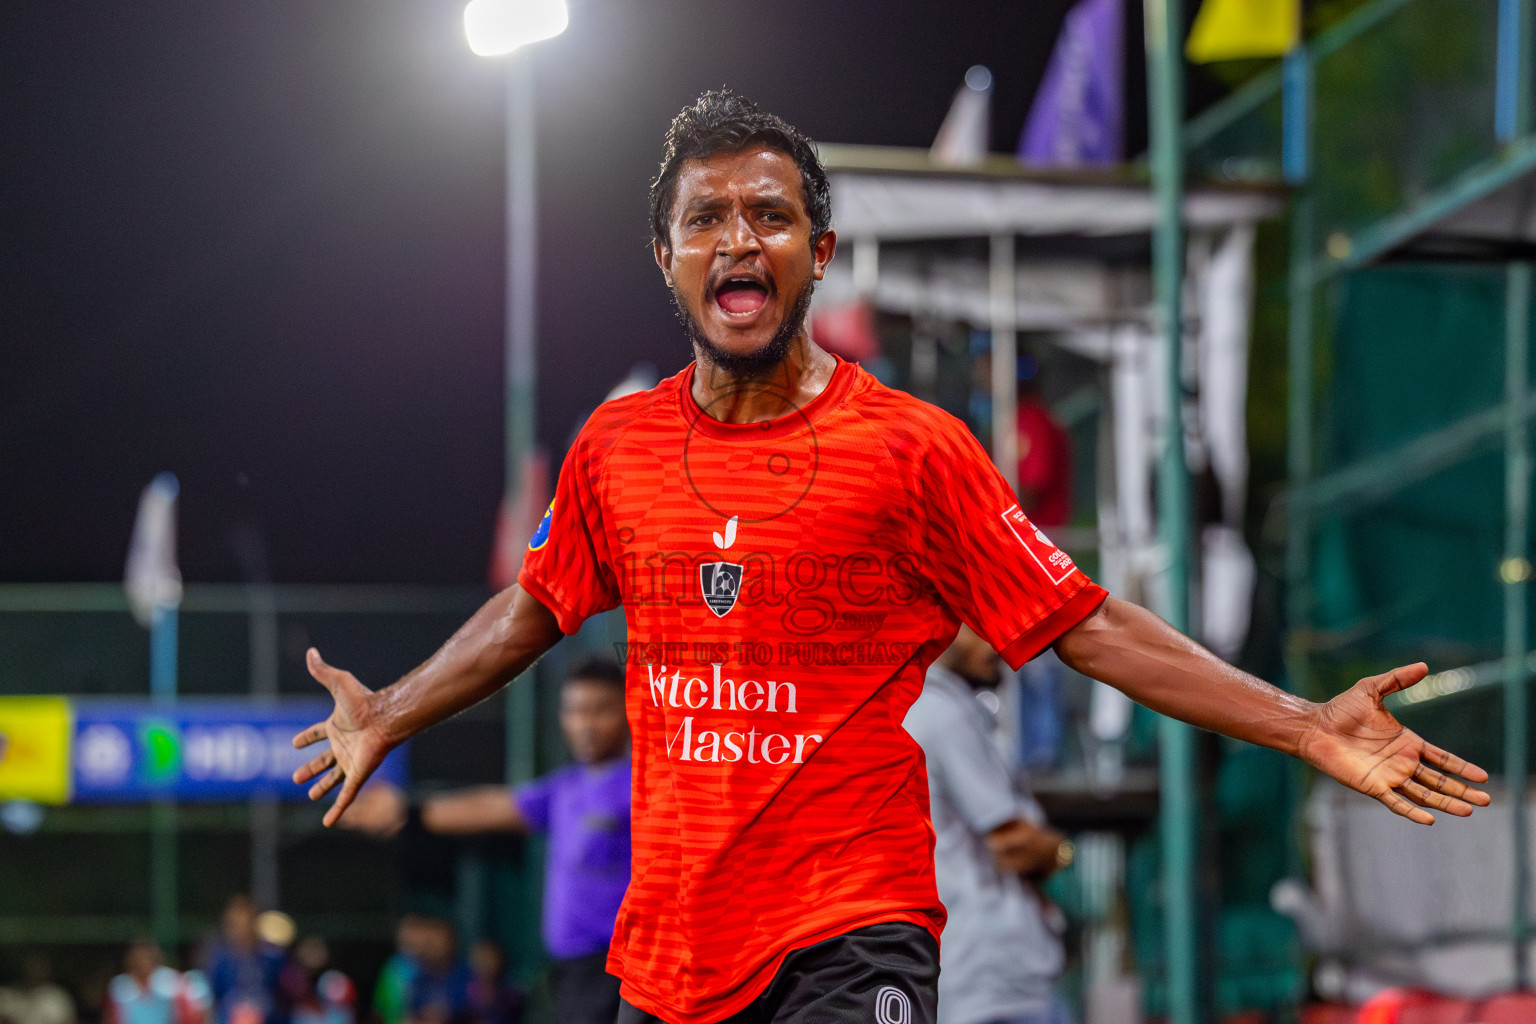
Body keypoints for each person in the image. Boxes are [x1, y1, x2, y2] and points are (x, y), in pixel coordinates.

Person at [292, 89, 1489, 1024]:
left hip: (852, 926)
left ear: (819, 247)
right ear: (667, 260)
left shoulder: (913, 451)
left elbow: (1090, 622)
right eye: (703, 219)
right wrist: (391, 707)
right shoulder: (618, 447)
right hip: (672, 948)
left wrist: (1301, 722)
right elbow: (536, 606)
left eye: (769, 213)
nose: (737, 238)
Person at [342, 657, 629, 1024]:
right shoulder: (565, 787)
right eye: (575, 711)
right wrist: (409, 812)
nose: (585, 724)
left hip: (615, 972)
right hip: (569, 974)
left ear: (629, 711)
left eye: (601, 710)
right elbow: (493, 806)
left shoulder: (641, 785)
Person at [906, 626, 1073, 1024]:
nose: (997, 643)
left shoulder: (935, 705)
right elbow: (1012, 842)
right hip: (988, 976)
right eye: (977, 629)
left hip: (977, 971)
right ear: (940, 626)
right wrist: (1061, 851)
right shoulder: (941, 711)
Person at [203, 896, 286, 1024]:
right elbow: (213, 1001)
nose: (240, 930)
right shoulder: (220, 962)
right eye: (235, 925)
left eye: (245, 924)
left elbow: (286, 998)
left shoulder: (273, 959)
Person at [103, 940, 203, 1024]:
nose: (141, 962)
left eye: (145, 958)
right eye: (137, 959)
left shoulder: (172, 982)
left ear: (154, 959)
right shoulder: (120, 987)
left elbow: (194, 1015)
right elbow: (111, 1019)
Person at [278, 938, 353, 1024]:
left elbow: (346, 1010)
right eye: (309, 952)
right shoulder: (291, 975)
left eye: (316, 951)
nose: (313, 955)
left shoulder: (334, 979)